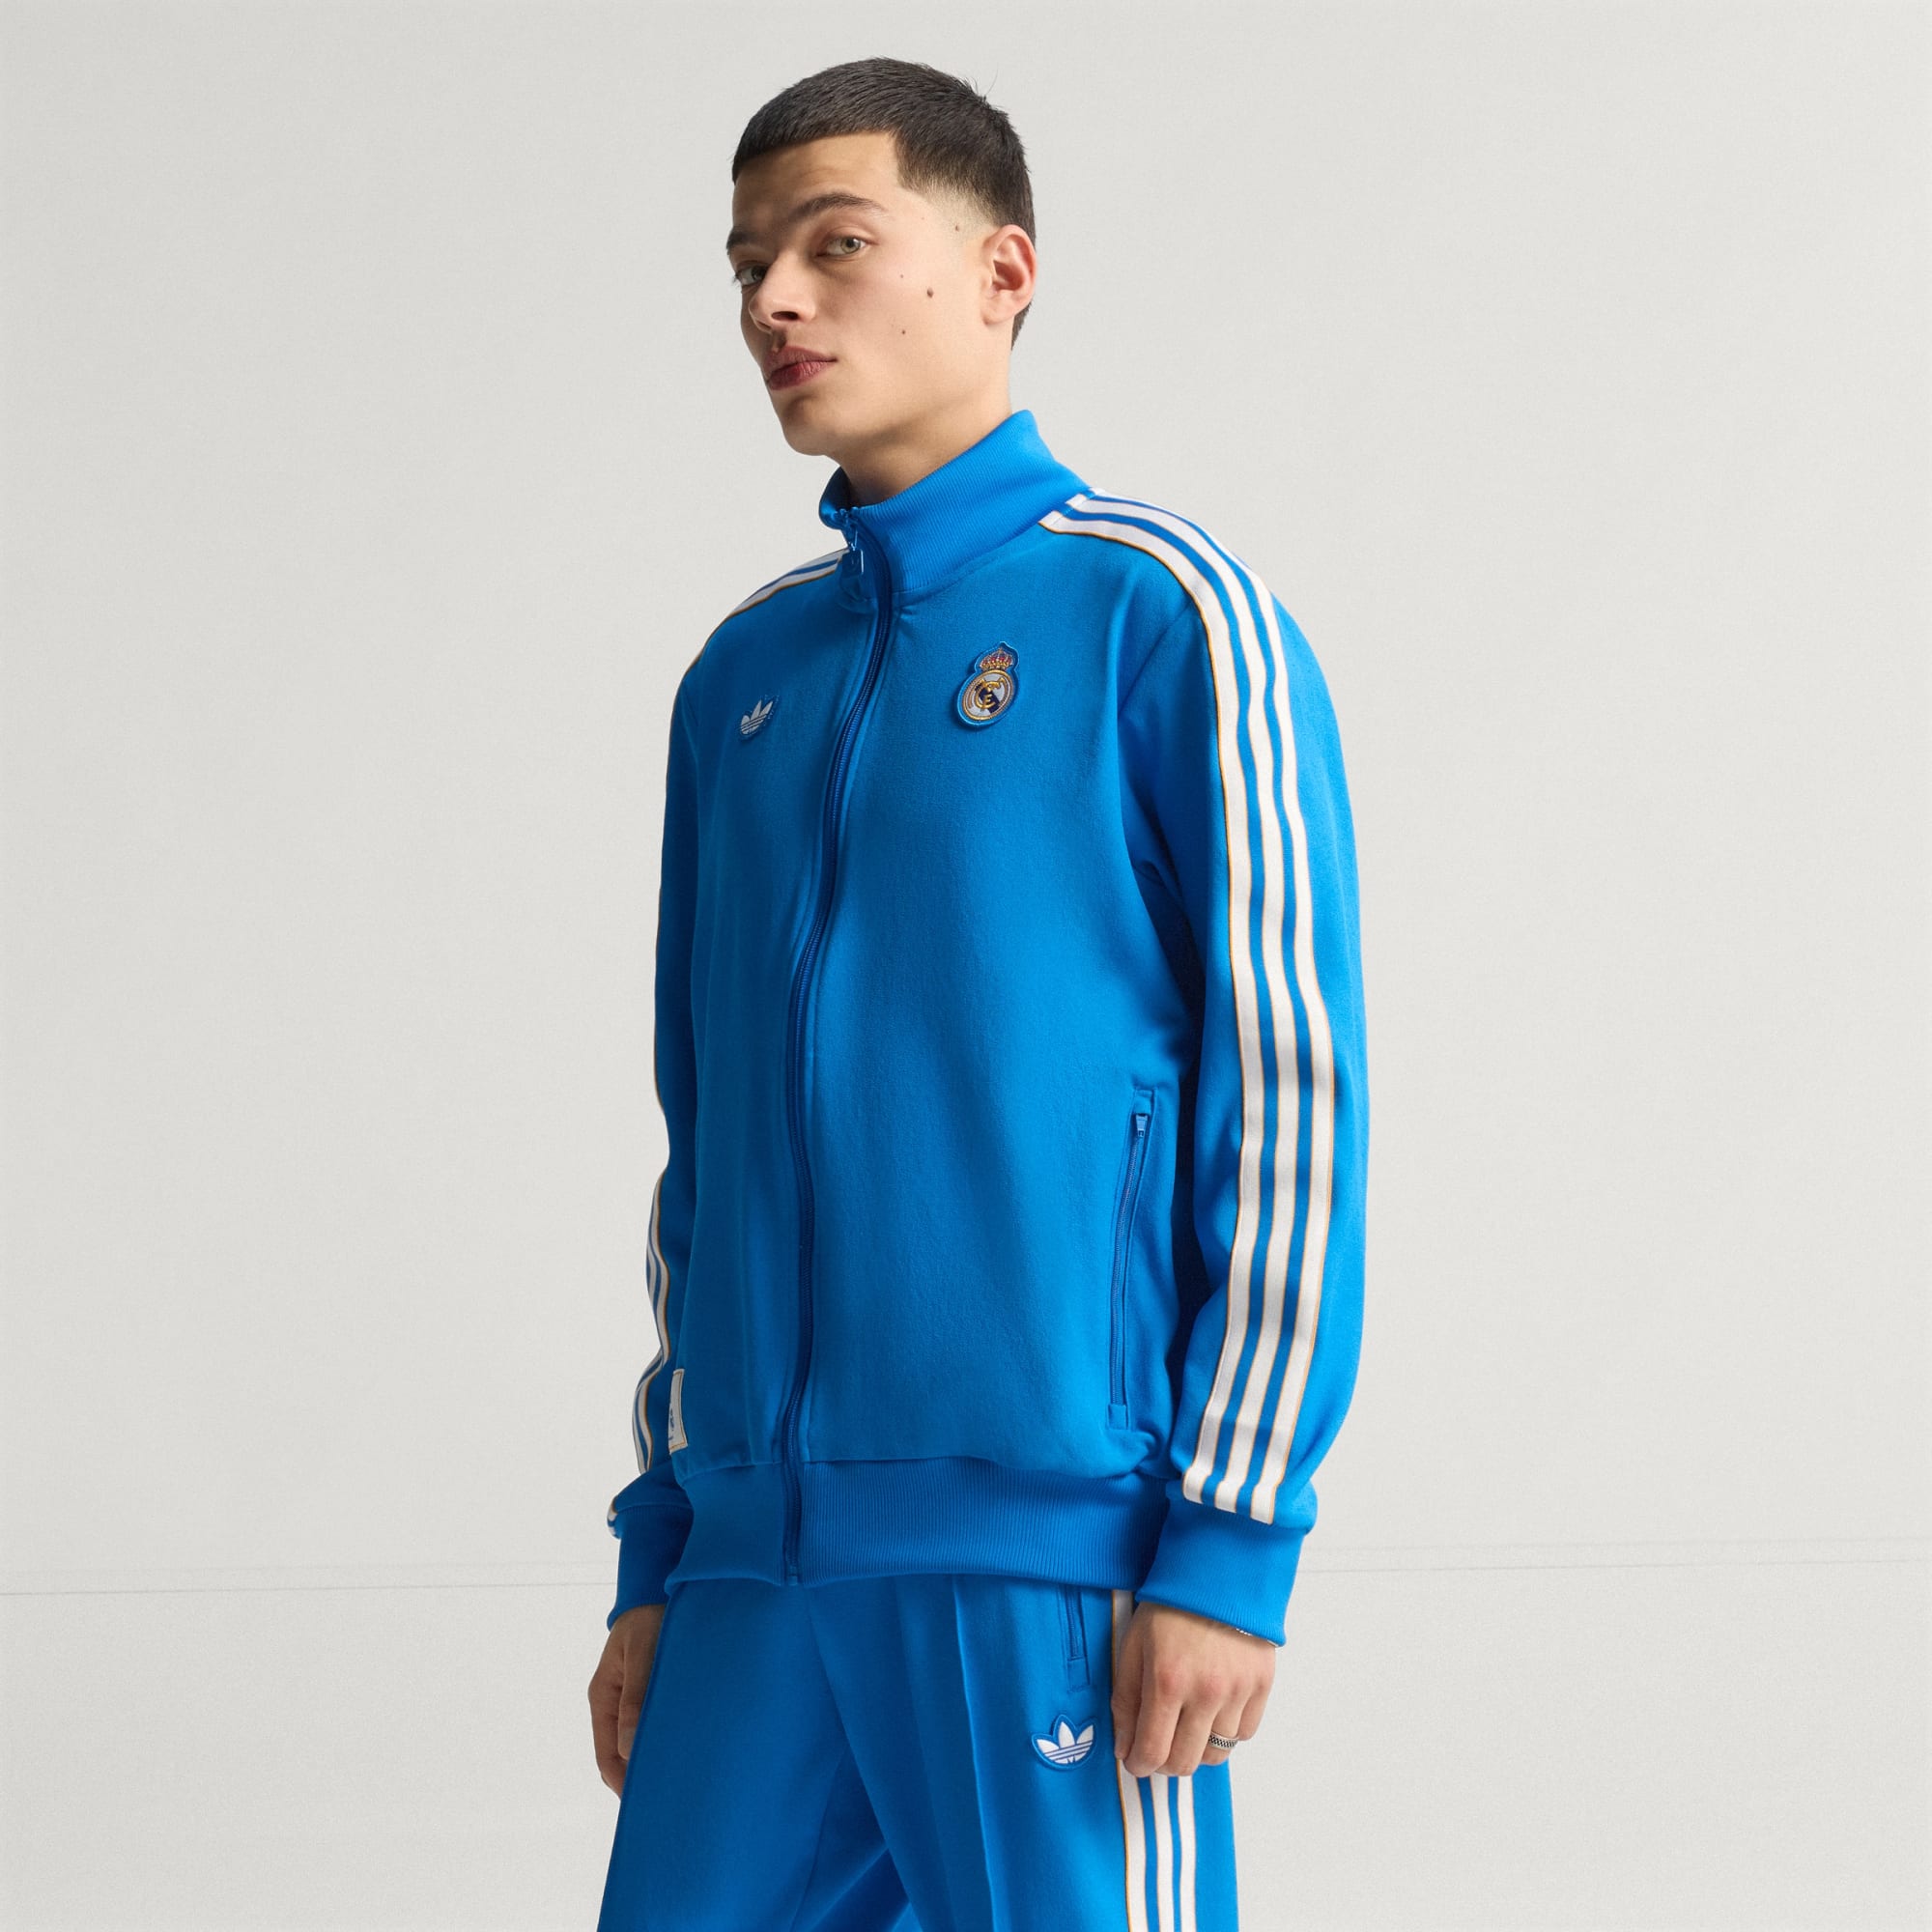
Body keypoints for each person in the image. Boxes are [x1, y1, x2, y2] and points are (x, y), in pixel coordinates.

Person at [586, 54, 1370, 1932]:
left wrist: (1228, 1539)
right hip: (752, 1564)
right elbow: (710, 1151)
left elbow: (1288, 1108)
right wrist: (664, 1543)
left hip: (1053, 1551)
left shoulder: (1161, 614)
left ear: (1002, 270)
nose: (775, 302)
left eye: (835, 245)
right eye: (747, 265)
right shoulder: (742, 679)